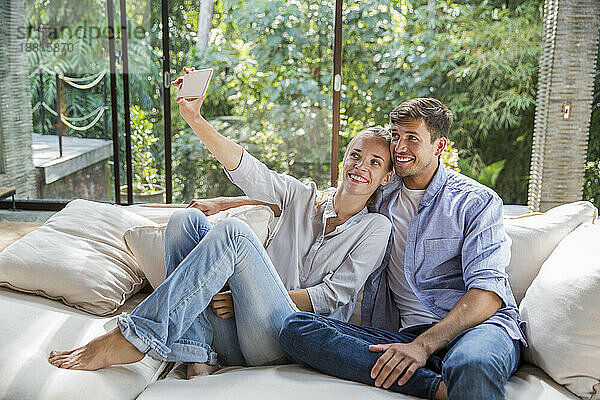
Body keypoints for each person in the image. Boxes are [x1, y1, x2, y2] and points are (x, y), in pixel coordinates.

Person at [47, 69, 395, 380]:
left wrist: (247, 296)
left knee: (234, 233)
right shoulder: (301, 195)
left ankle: (134, 336)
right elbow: (247, 168)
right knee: (185, 220)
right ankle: (197, 356)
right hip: (232, 334)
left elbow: (332, 297)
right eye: (355, 154)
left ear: (385, 177)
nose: (360, 166)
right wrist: (195, 119)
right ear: (344, 157)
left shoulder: (376, 228)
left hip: (284, 338)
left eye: (375, 163)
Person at [278, 98, 527, 400]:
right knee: (297, 329)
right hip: (404, 336)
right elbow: (317, 198)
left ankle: (442, 368)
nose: (399, 147)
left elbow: (487, 294)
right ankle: (436, 387)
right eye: (396, 135)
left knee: (471, 365)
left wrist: (423, 346)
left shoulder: (475, 202)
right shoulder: (381, 193)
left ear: (439, 147)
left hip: (477, 329)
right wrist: (229, 202)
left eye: (412, 138)